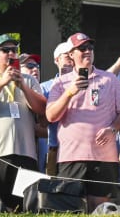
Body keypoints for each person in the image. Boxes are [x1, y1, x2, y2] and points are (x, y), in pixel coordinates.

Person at [45, 32, 120, 212]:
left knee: (101, 209)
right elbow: (51, 116)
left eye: (90, 48)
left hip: (104, 157)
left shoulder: (110, 79)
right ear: (71, 54)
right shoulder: (60, 83)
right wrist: (70, 91)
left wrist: (113, 129)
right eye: (82, 48)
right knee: (69, 209)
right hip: (71, 156)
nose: (87, 51)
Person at [0, 33, 45, 211]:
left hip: (26, 154)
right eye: (5, 50)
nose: (11, 54)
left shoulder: (29, 80)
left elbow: (42, 109)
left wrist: (23, 87)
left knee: (26, 208)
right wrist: (2, 82)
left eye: (14, 50)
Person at [40, 41, 74, 175]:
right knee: (54, 191)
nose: (71, 60)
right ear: (56, 60)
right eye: (67, 56)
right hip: (56, 147)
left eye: (73, 55)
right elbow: (42, 121)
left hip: (81, 148)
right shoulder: (46, 87)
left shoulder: (87, 83)